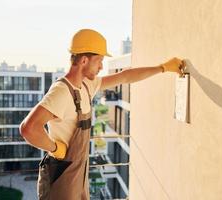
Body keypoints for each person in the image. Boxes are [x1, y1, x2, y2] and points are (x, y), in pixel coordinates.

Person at [19, 29, 185, 200]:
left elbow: (125, 77)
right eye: (99, 60)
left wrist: (163, 68)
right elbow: (28, 128)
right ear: (84, 60)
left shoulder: (85, 86)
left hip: (78, 172)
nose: (101, 67)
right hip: (61, 175)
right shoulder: (61, 91)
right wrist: (55, 148)